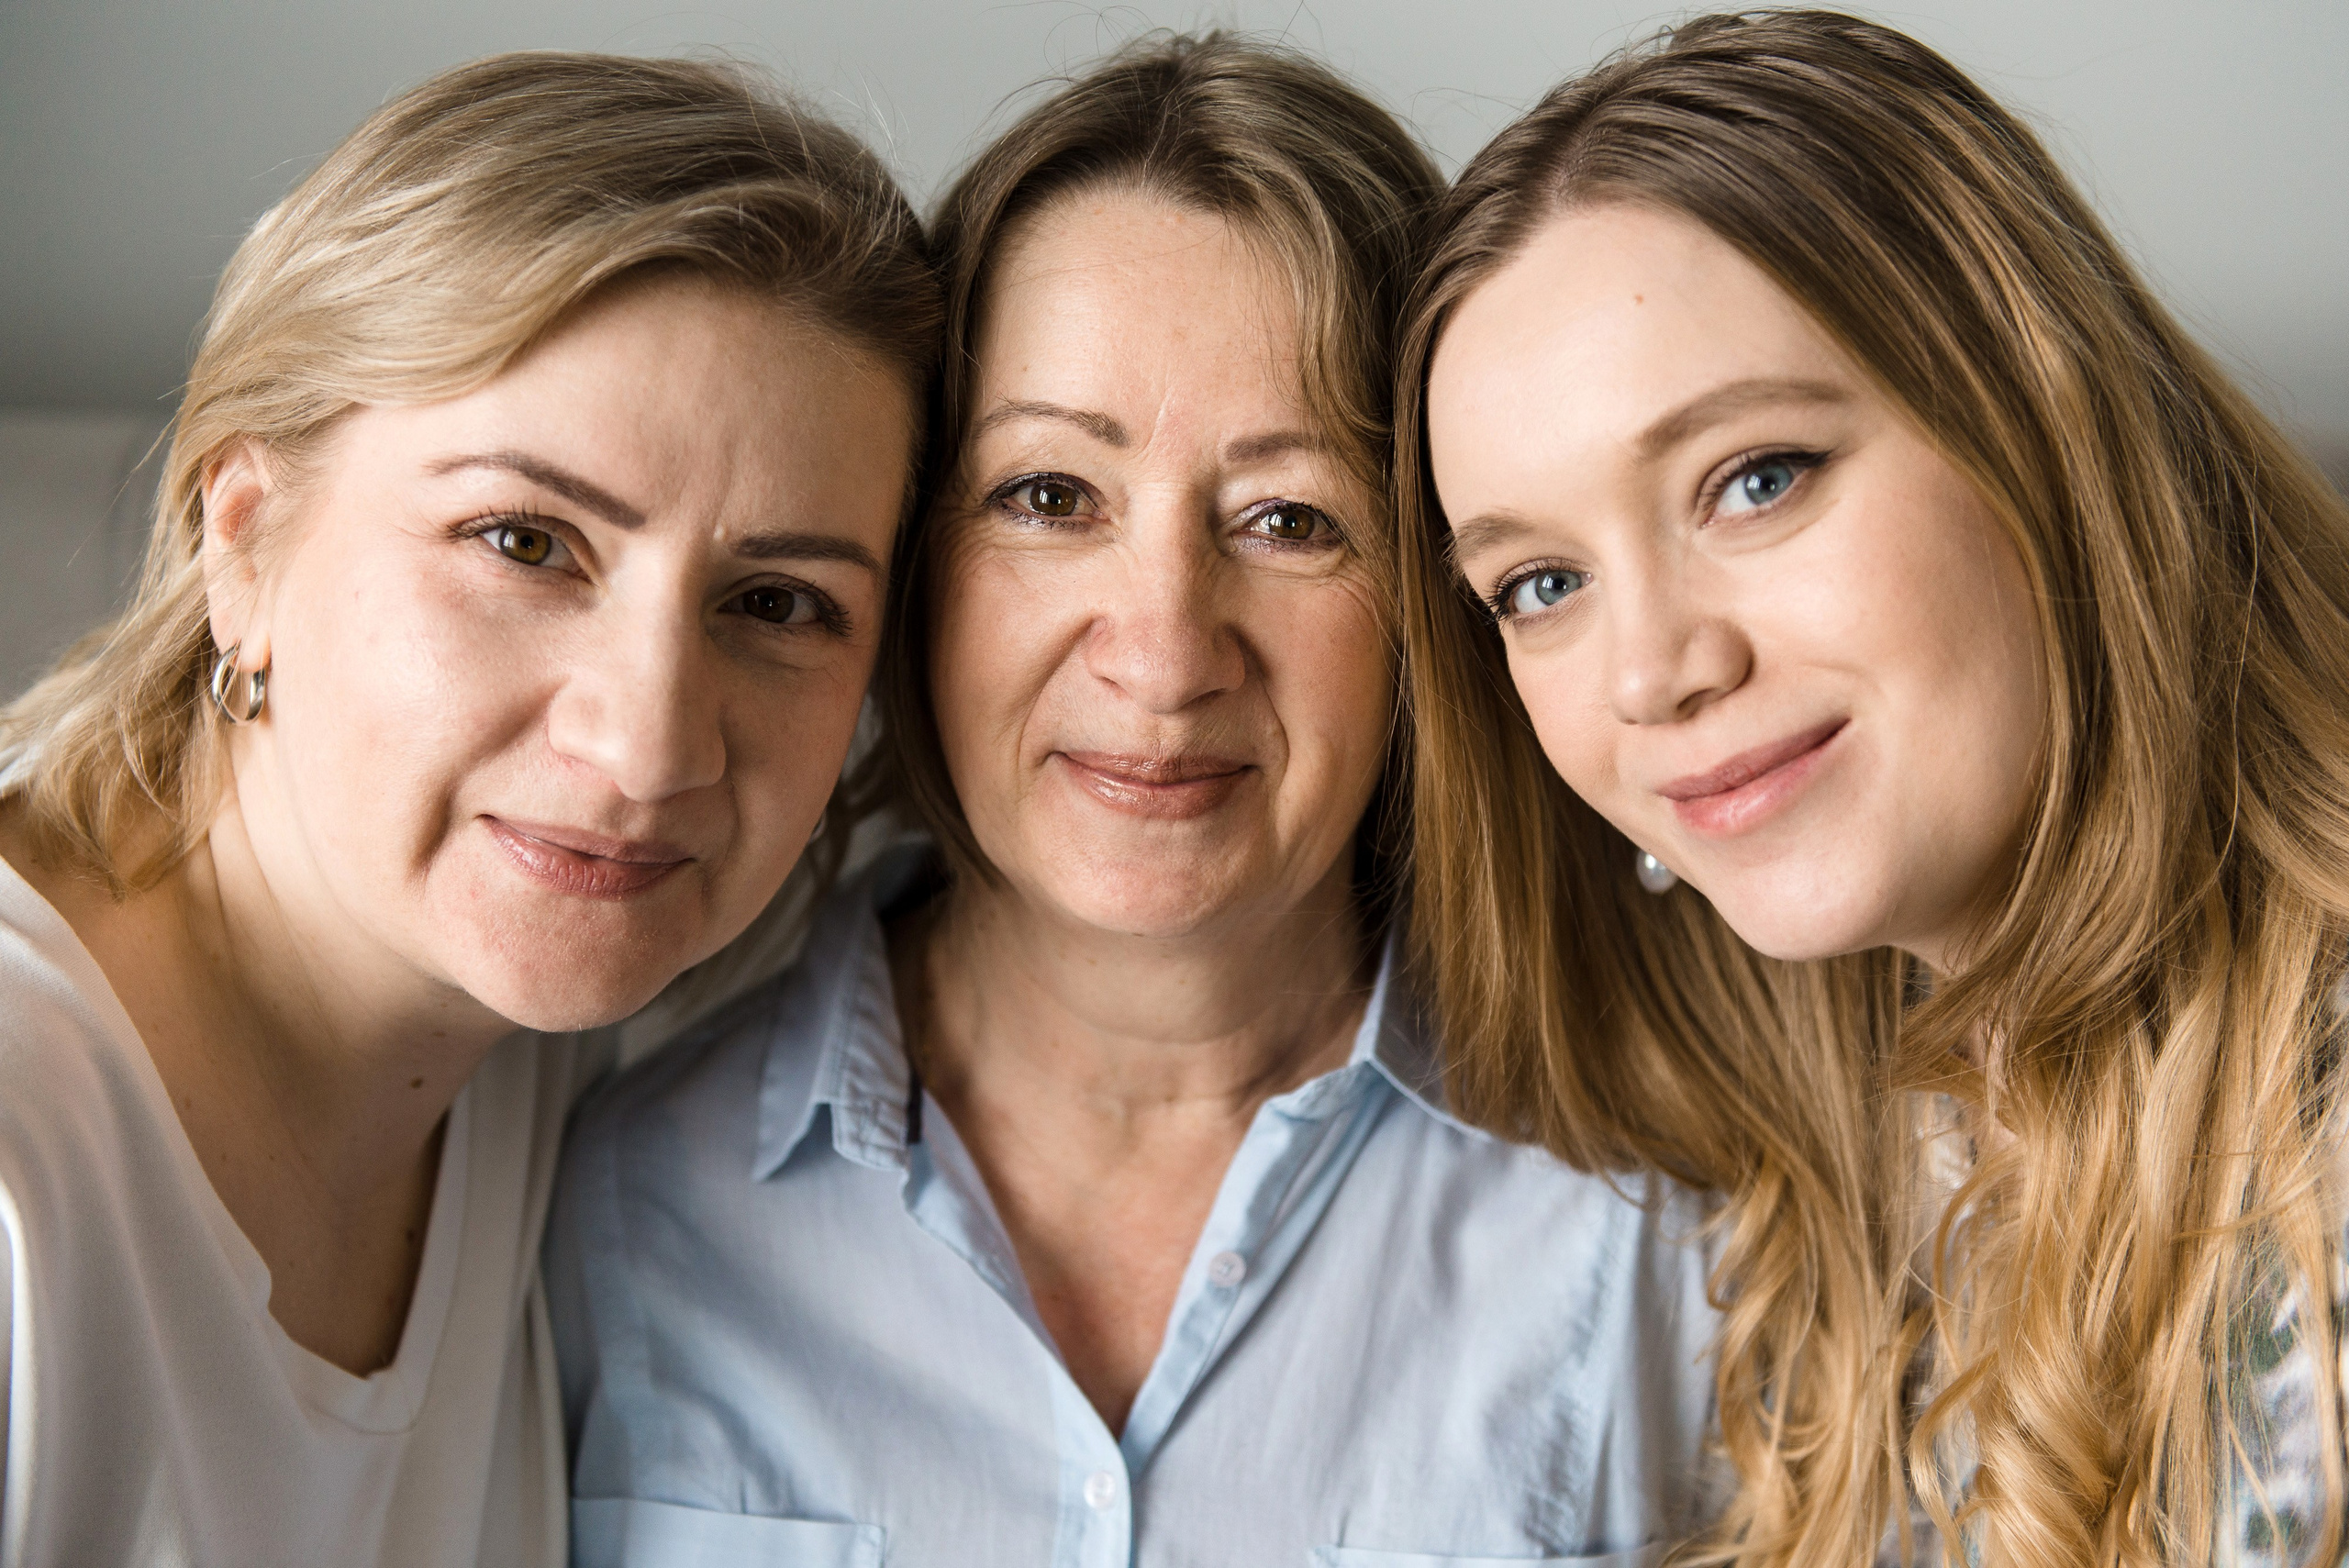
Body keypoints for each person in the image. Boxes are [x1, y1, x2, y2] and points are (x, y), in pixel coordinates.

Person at [548, 33, 1721, 1568]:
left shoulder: (1670, 1226)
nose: (1165, 651)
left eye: (1292, 519)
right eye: (1050, 498)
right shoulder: (598, 1197)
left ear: (1436, 606)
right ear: (910, 561)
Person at [1400, 10, 2349, 1567]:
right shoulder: (1803, 1211)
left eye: (1754, 477)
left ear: (2041, 425)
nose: (1654, 669)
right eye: (1542, 581)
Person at [0, 53, 937, 1568]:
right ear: (241, 543)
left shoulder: (571, 1062)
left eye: (777, 601)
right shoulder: (20, 1182)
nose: (644, 746)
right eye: (525, 540)